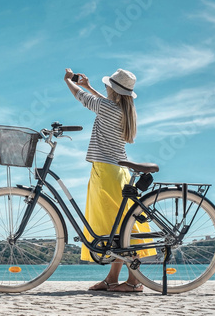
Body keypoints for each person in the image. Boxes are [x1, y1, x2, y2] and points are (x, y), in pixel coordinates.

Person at [64, 67, 148, 293]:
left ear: (113, 90)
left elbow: (82, 99)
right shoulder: (123, 109)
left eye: (107, 87)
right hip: (117, 172)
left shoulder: (108, 107)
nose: (105, 89)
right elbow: (102, 102)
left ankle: (134, 282)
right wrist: (88, 86)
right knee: (118, 229)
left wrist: (69, 82)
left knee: (120, 229)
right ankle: (112, 279)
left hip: (106, 173)